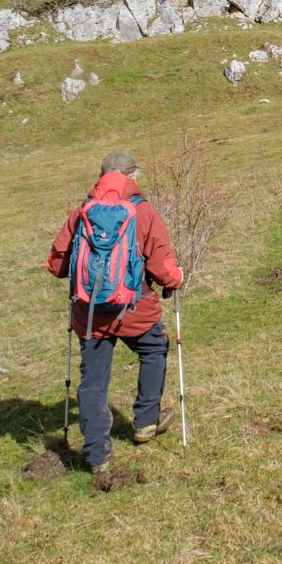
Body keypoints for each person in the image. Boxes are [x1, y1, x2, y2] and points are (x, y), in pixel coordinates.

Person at [46, 151, 183, 482]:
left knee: (93, 383)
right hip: (135, 310)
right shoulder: (143, 211)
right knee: (153, 351)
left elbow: (55, 264)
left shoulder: (82, 212)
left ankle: (97, 456)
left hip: (90, 315)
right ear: (132, 176)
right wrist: (175, 278)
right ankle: (146, 422)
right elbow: (161, 266)